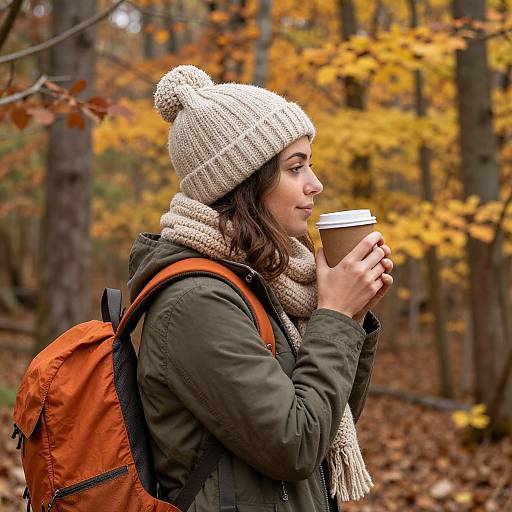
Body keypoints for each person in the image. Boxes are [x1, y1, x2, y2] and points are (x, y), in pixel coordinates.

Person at [129, 64, 394, 512]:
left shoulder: (268, 281)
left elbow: (326, 418)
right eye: (296, 167)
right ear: (243, 182)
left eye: (309, 163)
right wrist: (334, 318)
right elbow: (295, 445)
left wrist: (351, 315)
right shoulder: (197, 300)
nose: (316, 183)